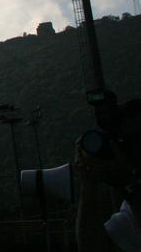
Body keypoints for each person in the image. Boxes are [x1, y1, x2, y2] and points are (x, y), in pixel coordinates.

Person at [75, 99, 141, 252]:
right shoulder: (130, 207)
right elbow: (92, 246)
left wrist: (128, 185)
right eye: (128, 142)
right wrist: (88, 184)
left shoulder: (133, 197)